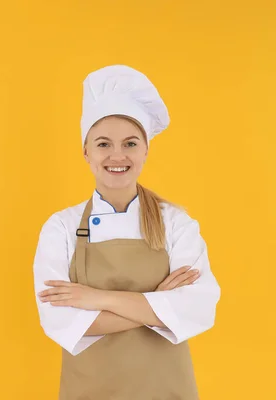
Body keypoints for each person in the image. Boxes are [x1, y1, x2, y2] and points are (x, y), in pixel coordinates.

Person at [33, 64, 221, 399]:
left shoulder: (176, 223)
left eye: (130, 143)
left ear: (146, 150)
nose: (117, 155)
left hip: (166, 390)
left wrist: (96, 299)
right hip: (90, 390)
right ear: (86, 151)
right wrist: (160, 306)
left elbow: (198, 308)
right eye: (103, 144)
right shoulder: (59, 228)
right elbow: (60, 322)